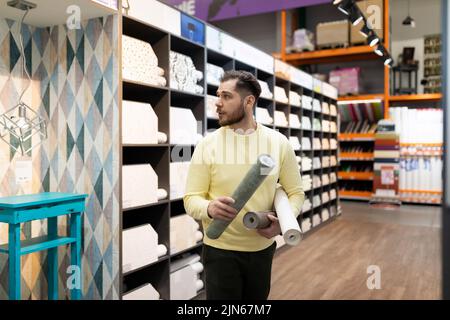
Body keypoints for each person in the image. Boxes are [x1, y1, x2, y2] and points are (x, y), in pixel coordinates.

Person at [183, 70, 304, 300]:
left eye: (226, 97)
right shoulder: (207, 145)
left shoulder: (278, 143)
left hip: (261, 250)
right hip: (219, 251)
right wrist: (209, 208)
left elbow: (295, 192)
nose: (217, 103)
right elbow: (191, 199)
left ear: (249, 101)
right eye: (218, 95)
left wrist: (284, 221)